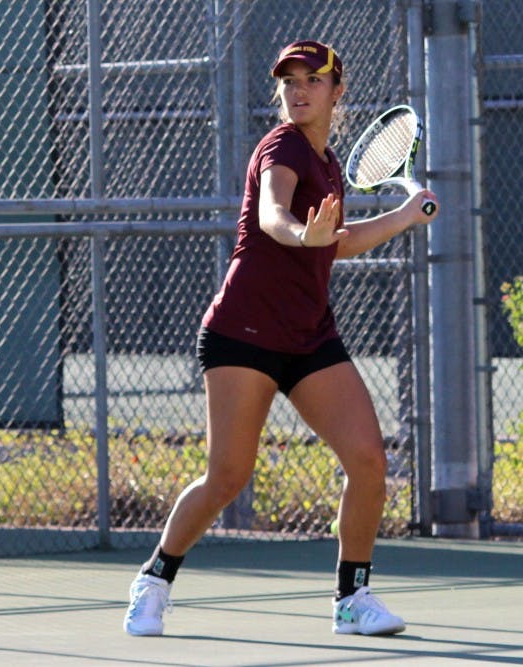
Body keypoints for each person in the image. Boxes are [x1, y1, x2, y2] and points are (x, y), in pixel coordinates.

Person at [123, 40, 438, 637]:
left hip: (308, 335)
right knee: (227, 476)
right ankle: (154, 580)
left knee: (369, 461)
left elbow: (336, 241)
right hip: (243, 331)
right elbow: (273, 214)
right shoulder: (282, 146)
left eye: (312, 80)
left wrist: (401, 217)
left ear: (336, 91)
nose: (298, 90)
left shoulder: (330, 164)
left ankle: (352, 598)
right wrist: (298, 234)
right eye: (289, 80)